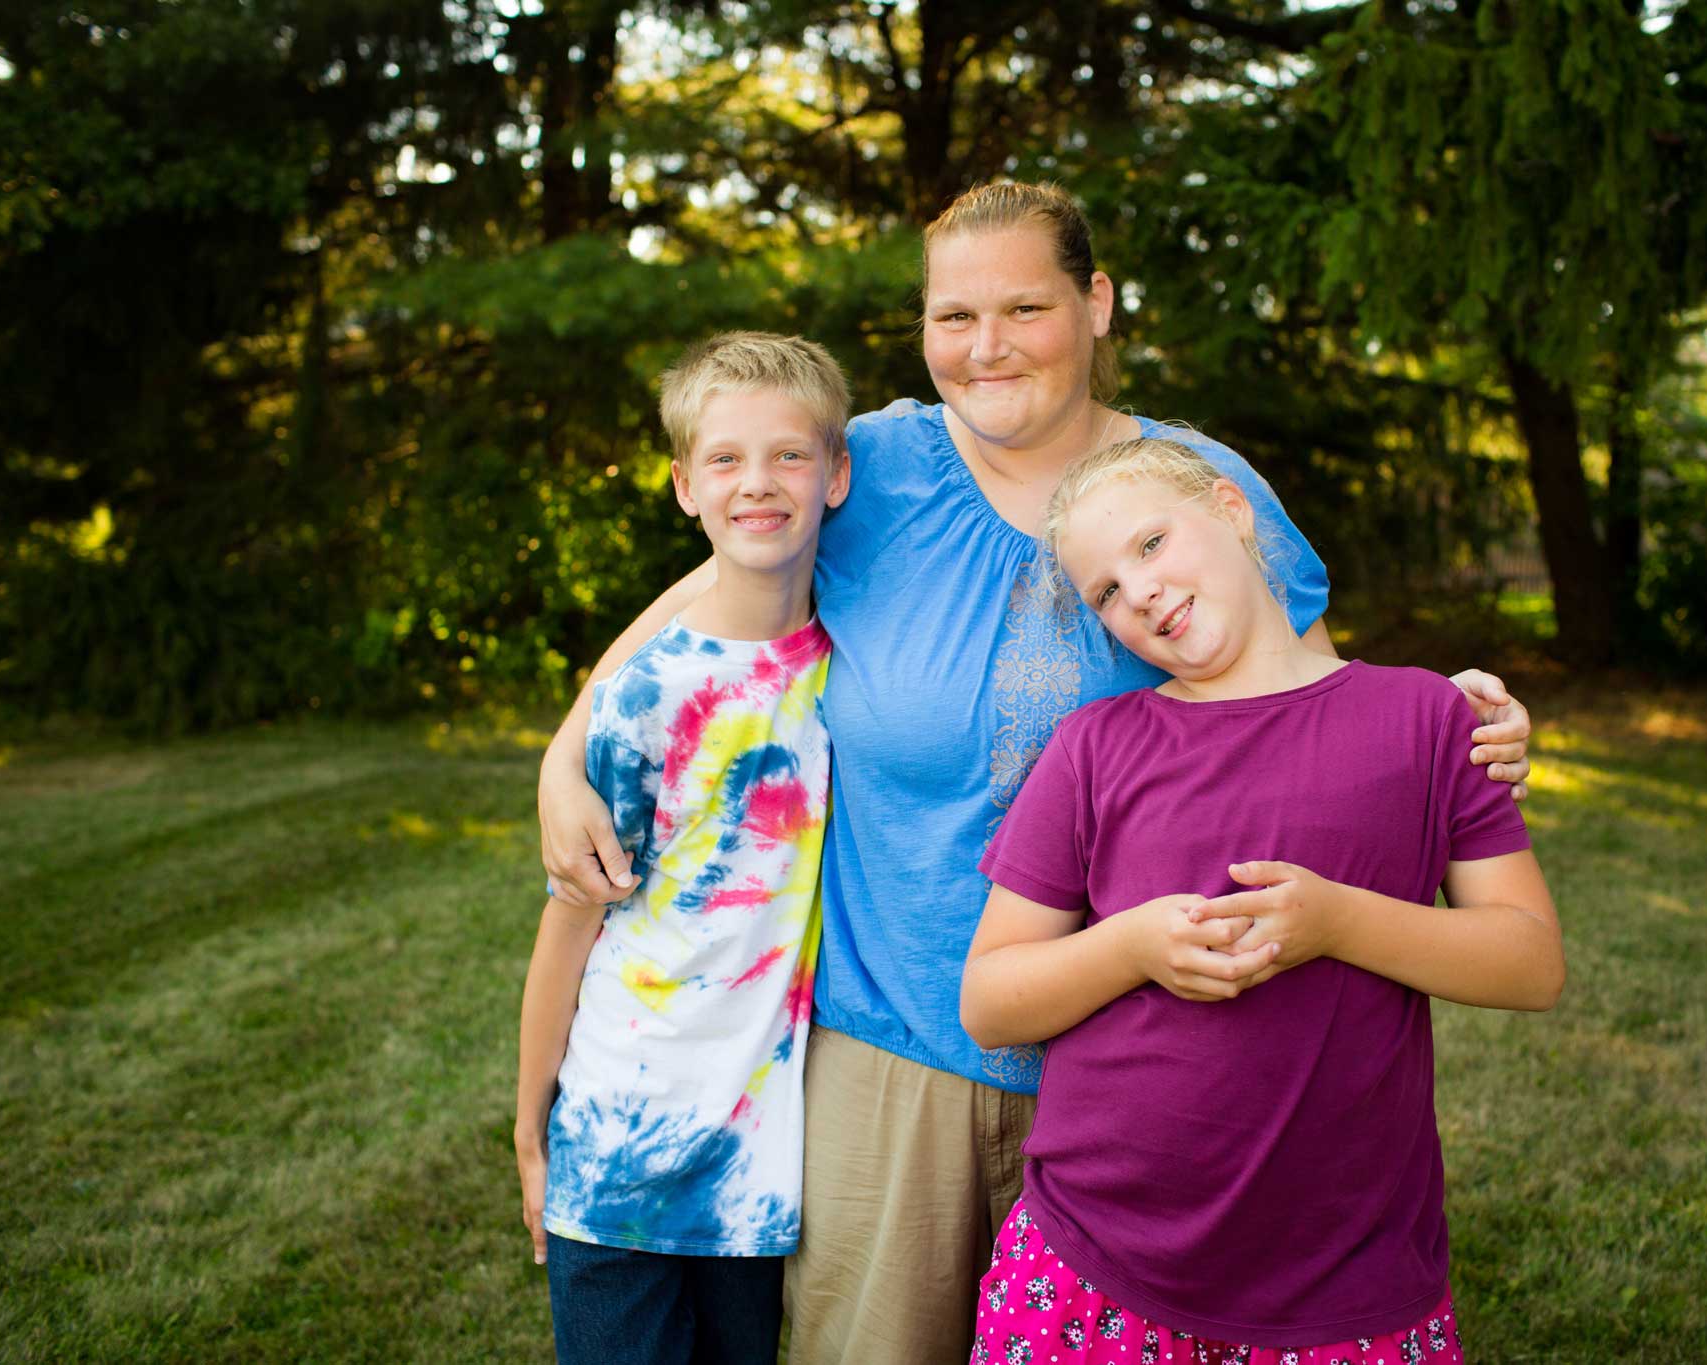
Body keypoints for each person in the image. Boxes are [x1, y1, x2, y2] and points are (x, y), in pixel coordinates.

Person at [537, 181, 1536, 1364]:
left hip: (1151, 1055)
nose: (985, 346)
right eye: (951, 317)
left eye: (1023, 306)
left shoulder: (1185, 480)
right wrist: (568, 749)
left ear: (1097, 303)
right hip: (896, 1038)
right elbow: (712, 596)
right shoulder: (870, 469)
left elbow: (1294, 689)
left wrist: (1454, 721)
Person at [959, 437, 1564, 1365]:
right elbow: (990, 1001)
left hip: (1347, 1279)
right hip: (1093, 1264)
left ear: (1233, 510)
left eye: (1152, 544)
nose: (1141, 592)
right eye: (1107, 592)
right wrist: (1129, 947)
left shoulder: (1428, 719)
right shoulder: (1094, 748)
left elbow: (1531, 963)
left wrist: (1338, 922)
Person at [513, 331, 851, 1365]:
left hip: (755, 1164)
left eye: (789, 455)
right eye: (725, 460)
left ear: (836, 476)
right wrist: (530, 1133)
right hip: (619, 1148)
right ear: (682, 487)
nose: (759, 482)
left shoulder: (849, 667)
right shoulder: (647, 697)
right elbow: (570, 924)